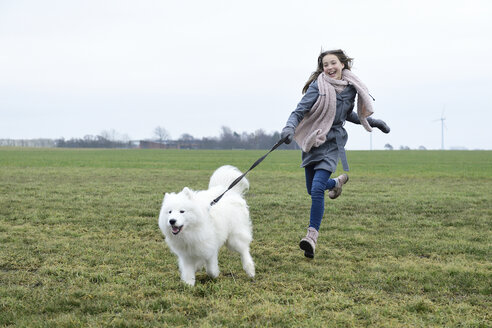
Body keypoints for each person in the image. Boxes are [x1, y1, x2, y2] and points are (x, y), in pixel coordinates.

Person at [280, 49, 390, 258]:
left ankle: (311, 237)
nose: (329, 68)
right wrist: (288, 128)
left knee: (317, 188)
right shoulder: (317, 87)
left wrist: (371, 121)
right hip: (314, 141)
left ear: (343, 65)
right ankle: (336, 183)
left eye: (333, 63)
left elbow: (348, 114)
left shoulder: (351, 89)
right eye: (325, 65)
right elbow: (299, 111)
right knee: (312, 190)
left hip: (332, 144)